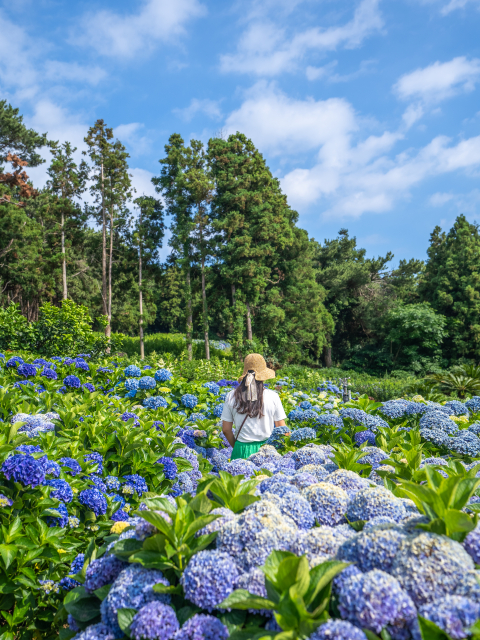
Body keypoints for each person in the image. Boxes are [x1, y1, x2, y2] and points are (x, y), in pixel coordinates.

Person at [221, 353, 287, 460]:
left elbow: (226, 430)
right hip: (266, 452)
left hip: (241, 449)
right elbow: (282, 430)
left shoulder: (231, 396)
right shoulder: (273, 396)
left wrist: (237, 446)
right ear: (263, 376)